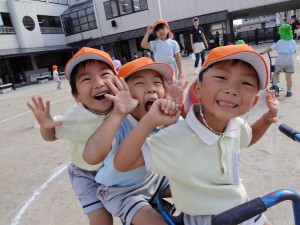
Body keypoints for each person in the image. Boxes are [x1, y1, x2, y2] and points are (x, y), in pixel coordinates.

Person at [114, 44, 279, 225]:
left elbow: (248, 138)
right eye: (221, 77)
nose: (232, 89)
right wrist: (150, 121)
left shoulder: (235, 125)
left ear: (254, 101)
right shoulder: (179, 137)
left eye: (246, 83)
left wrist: (266, 118)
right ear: (198, 90)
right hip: (207, 218)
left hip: (241, 205)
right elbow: (123, 163)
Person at [83, 57, 187, 225]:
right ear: (122, 91)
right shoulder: (118, 122)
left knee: (196, 186)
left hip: (155, 179)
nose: (151, 89)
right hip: (122, 191)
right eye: (140, 84)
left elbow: (186, 137)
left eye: (157, 83)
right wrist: (117, 113)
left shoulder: (161, 113)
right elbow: (90, 156)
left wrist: (175, 110)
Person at [26, 47, 122, 225]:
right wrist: (46, 126)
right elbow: (51, 136)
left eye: (105, 74)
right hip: (86, 174)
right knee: (102, 220)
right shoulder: (75, 117)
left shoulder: (127, 106)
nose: (99, 82)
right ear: (76, 95)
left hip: (116, 170)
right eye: (86, 79)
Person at [261, 24, 296, 97]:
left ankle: (275, 87)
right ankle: (289, 91)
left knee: (276, 73)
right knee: (288, 76)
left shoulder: (279, 42)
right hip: (291, 58)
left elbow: (270, 48)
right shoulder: (293, 41)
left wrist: (263, 52)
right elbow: (294, 50)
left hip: (281, 58)